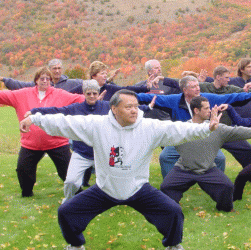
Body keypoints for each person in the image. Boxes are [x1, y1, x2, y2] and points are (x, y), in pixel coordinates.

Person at [19, 89, 222, 250]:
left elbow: (180, 129)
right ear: (114, 109)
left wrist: (207, 128)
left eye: (135, 106)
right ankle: (75, 244)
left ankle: (173, 245)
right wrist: (35, 119)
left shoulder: (149, 127)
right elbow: (65, 122)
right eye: (128, 107)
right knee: (66, 212)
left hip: (138, 188)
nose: (134, 110)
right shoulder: (97, 125)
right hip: (105, 189)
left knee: (173, 212)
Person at [26, 80, 155, 202]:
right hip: (82, 152)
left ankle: (121, 198)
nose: (92, 96)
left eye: (95, 93)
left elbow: (127, 110)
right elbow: (56, 111)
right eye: (89, 93)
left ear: (99, 93)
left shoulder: (108, 107)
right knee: (71, 181)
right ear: (84, 94)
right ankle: (69, 201)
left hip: (107, 151)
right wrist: (34, 112)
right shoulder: (76, 108)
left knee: (119, 175)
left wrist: (148, 107)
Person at [0, 67, 85, 197]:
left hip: (57, 142)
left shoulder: (60, 94)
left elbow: (78, 99)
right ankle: (27, 193)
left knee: (67, 172)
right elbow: (3, 95)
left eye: (48, 79)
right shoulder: (22, 94)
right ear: (36, 80)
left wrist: (95, 99)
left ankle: (79, 194)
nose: (45, 81)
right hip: (31, 144)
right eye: (42, 78)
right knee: (23, 170)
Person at [137, 75, 251, 178]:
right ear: (184, 90)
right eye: (193, 87)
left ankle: (216, 182)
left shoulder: (207, 98)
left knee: (220, 158)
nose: (197, 89)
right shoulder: (173, 100)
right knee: (165, 156)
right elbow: (150, 97)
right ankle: (171, 182)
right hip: (182, 139)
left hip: (206, 137)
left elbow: (229, 97)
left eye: (198, 85)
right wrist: (126, 96)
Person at [160, 96, 251, 212]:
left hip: (208, 169)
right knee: (166, 187)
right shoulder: (182, 128)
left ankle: (226, 209)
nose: (210, 111)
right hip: (184, 168)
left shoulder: (218, 129)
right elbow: (161, 136)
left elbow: (238, 131)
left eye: (209, 108)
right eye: (206, 108)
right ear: (196, 110)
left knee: (227, 187)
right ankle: (172, 208)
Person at [70, 61, 153, 101]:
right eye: (102, 73)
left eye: (106, 73)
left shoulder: (109, 88)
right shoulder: (82, 88)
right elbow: (67, 97)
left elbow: (127, 89)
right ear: (94, 75)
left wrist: (146, 88)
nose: (105, 75)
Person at [0, 59, 84, 91]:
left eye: (59, 68)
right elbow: (20, 85)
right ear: (49, 70)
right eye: (54, 68)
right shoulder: (41, 84)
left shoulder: (72, 83)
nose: (57, 71)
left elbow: (88, 85)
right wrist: (3, 79)